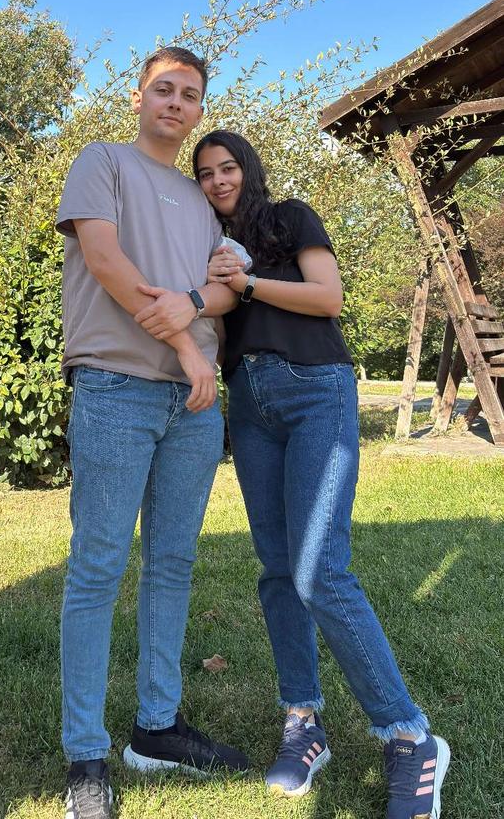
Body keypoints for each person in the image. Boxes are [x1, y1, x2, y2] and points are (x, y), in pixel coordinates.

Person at [135, 128, 451, 819]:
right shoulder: (207, 244)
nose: (218, 180)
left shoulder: (289, 218)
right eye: (205, 173)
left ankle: (409, 735)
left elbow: (328, 297)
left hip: (314, 391)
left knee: (318, 571)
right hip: (250, 406)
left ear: (247, 169)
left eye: (228, 168)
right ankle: (303, 720)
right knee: (278, 570)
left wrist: (246, 282)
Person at [56, 55, 248, 819]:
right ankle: (85, 756)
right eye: (163, 89)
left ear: (199, 110)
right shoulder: (101, 163)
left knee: (171, 563)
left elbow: (225, 290)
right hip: (117, 386)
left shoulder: (204, 201)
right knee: (97, 567)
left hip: (191, 406)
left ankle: (156, 728)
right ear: (138, 95)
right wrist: (187, 349)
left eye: (189, 95)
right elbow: (105, 261)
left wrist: (197, 310)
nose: (175, 102)